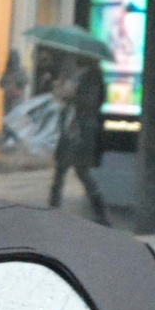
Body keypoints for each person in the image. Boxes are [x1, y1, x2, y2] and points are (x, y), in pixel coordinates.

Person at [50, 56, 110, 224]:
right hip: (75, 132)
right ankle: (100, 214)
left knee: (76, 172)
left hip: (79, 134)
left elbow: (88, 103)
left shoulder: (93, 77)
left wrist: (70, 97)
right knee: (66, 172)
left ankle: (100, 214)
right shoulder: (86, 76)